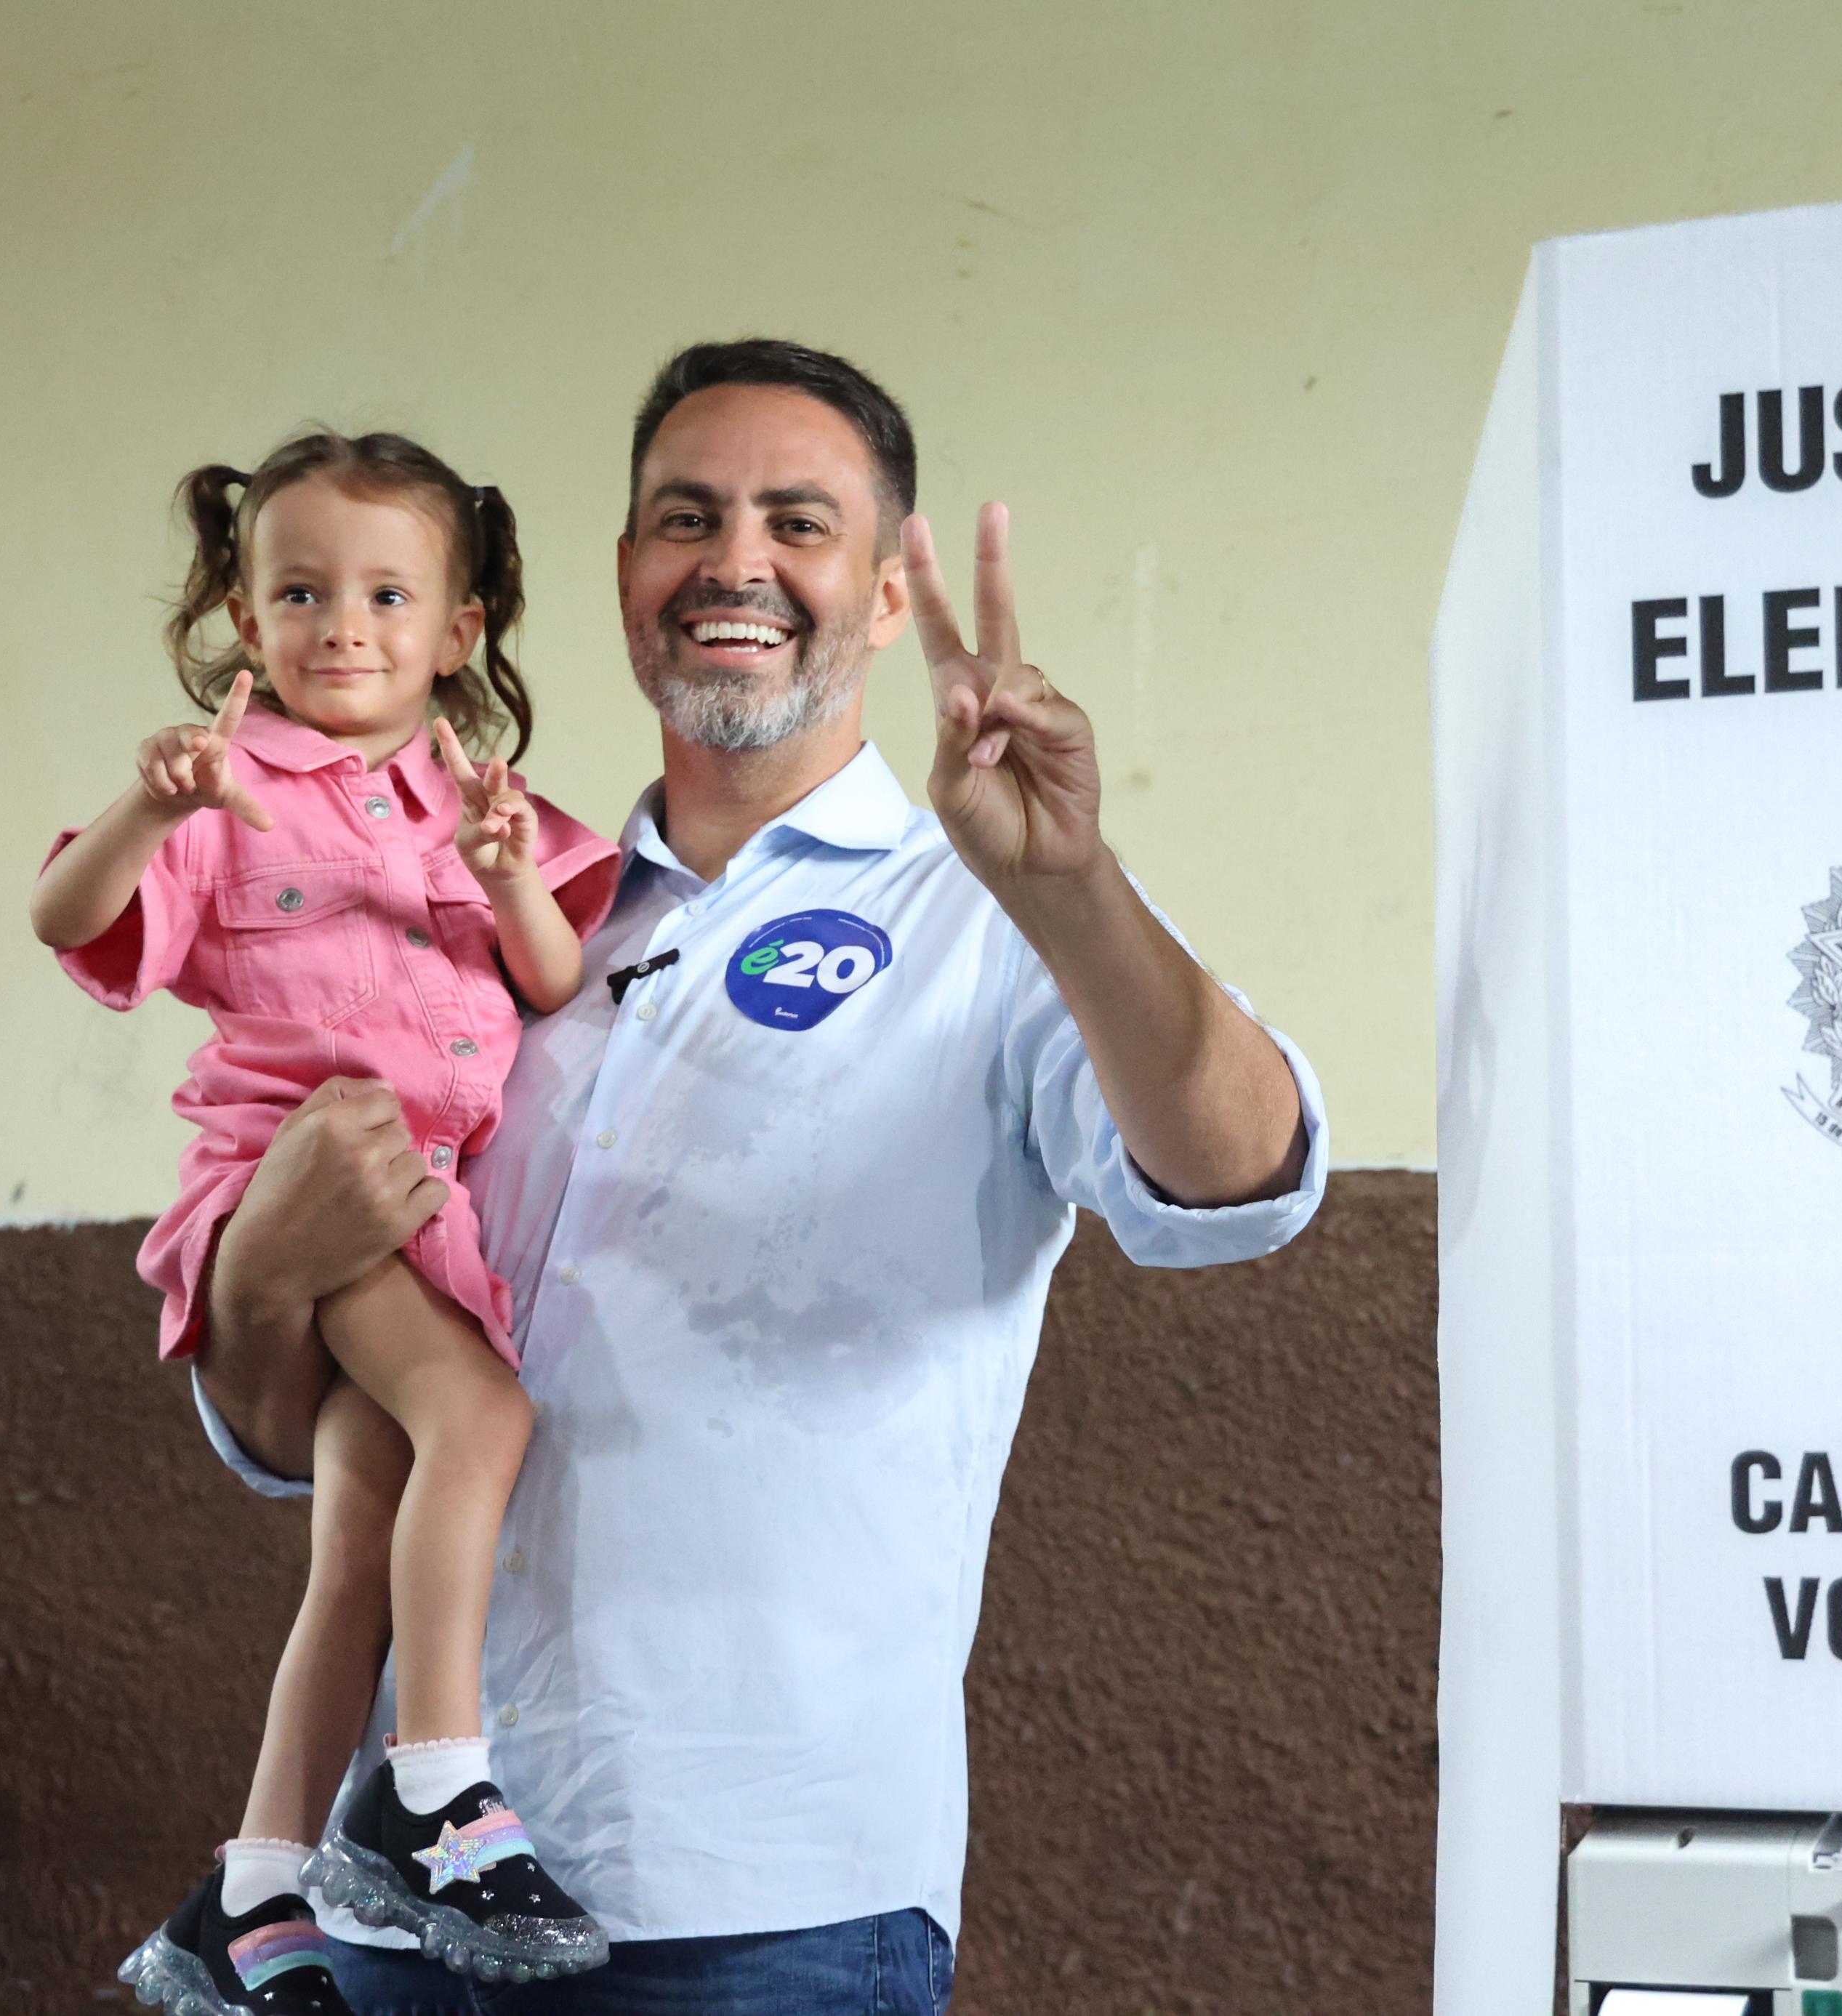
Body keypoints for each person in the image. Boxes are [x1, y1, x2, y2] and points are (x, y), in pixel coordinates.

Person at [187, 341, 1327, 2015]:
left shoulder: (991, 906)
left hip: (757, 1908)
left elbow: (1238, 1182)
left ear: (879, 597)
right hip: (396, 1917)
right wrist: (258, 1271)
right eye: (685, 517)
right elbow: (297, 1436)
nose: (735, 562)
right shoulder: (509, 918)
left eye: (799, 522)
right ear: (627, 579)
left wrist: (1073, 888)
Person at [33, 432, 621, 2014]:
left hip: (431, 1217)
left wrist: (504, 877)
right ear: (243, 612)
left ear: (459, 628)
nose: (340, 627)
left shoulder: (483, 805)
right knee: (483, 1419)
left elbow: (557, 981)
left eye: (383, 594)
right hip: (308, 1184)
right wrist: (152, 814)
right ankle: (437, 1791)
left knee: (356, 1538)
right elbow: (69, 921)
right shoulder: (230, 788)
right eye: (298, 592)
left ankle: (256, 1883)